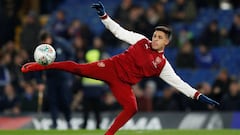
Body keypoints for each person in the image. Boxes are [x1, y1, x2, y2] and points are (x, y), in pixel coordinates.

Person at [21, 2, 219, 135]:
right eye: (155, 35)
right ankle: (38, 66)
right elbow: (119, 32)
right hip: (110, 68)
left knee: (132, 107)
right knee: (77, 68)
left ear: (166, 42)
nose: (154, 38)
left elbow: (179, 84)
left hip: (123, 84)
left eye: (159, 37)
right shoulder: (142, 41)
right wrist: (104, 16)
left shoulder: (162, 65)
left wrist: (199, 96)